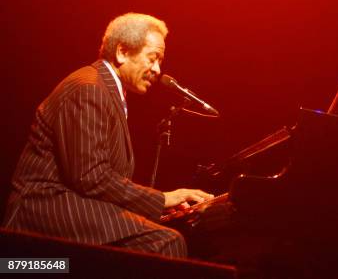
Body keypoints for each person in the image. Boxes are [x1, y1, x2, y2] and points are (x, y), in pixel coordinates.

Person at [2, 13, 211, 257]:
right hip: (43, 210)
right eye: (153, 58)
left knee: (165, 232)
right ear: (122, 52)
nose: (157, 69)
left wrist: (157, 208)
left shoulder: (106, 91)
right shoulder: (89, 88)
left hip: (69, 206)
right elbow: (90, 176)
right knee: (164, 242)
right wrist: (162, 199)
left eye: (160, 60)